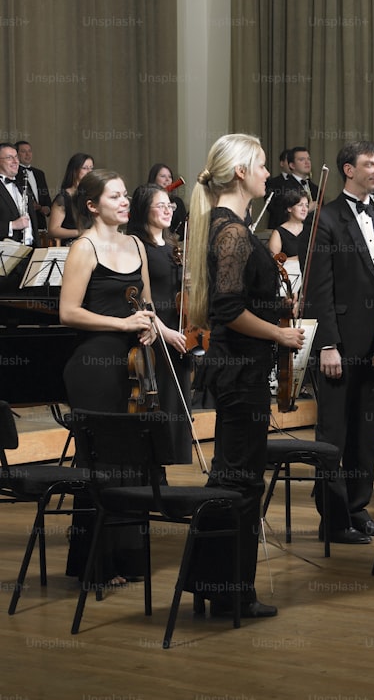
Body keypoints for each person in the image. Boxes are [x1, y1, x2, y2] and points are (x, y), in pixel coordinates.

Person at [184, 133, 305, 618]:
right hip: (239, 371)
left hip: (239, 370)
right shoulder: (232, 231)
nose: (265, 175)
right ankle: (229, 589)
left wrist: (278, 304)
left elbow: (242, 301)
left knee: (232, 478)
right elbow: (228, 309)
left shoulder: (227, 226)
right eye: (259, 165)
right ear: (239, 172)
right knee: (239, 482)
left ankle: (215, 585)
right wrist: (279, 334)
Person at [303, 140, 374, 542]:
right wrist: (327, 344)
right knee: (333, 433)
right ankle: (332, 518)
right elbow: (317, 290)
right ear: (348, 170)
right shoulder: (325, 220)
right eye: (370, 164)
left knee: (365, 431)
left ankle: (357, 507)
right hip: (340, 346)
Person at [60, 168, 157, 583]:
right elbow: (68, 312)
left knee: (130, 461)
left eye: (125, 196)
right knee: (100, 462)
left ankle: (126, 559)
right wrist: (122, 324)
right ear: (92, 204)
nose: (124, 202)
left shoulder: (137, 243)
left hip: (134, 363)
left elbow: (147, 303)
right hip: (94, 365)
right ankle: (93, 563)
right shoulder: (84, 247)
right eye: (115, 196)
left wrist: (154, 326)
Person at [125, 183, 192, 465]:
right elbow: (142, 295)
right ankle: (153, 465)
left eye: (170, 206)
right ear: (143, 211)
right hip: (157, 334)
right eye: (161, 205)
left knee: (177, 403)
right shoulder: (138, 245)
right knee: (159, 401)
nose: (168, 210)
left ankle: (167, 466)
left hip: (178, 333)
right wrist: (164, 331)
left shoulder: (173, 244)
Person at [48, 152, 94, 245]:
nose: (89, 172)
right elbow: (53, 230)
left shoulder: (93, 194)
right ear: (74, 170)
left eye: (91, 168)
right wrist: (81, 232)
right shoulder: (63, 198)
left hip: (92, 243)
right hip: (72, 245)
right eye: (85, 168)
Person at [268, 146, 316, 229]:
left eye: (308, 159)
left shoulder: (316, 188)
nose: (307, 162)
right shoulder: (282, 188)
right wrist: (307, 209)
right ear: (292, 165)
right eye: (301, 159)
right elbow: (279, 215)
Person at [0, 143, 37, 246]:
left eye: (16, 157)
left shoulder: (22, 186)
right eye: (9, 158)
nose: (15, 161)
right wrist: (12, 225)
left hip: (30, 251)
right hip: (8, 255)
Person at [267, 187, 309, 258]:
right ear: (289, 208)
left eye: (307, 206)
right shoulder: (278, 233)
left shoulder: (311, 230)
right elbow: (274, 261)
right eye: (300, 205)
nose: (304, 209)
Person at [148, 163, 188, 238]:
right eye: (163, 176)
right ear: (154, 178)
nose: (167, 180)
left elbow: (183, 230)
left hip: (172, 243)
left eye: (170, 177)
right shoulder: (146, 199)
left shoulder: (177, 202)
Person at [15, 140, 49, 226]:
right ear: (16, 154)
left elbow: (46, 196)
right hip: (23, 221)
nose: (28, 154)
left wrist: (47, 208)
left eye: (29, 151)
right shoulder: (14, 174)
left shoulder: (39, 173)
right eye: (23, 151)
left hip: (40, 221)